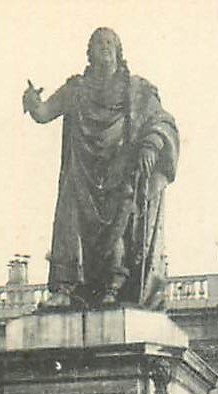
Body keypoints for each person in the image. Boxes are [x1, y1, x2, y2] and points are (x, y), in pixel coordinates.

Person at [22, 28, 179, 308]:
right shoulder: (76, 90)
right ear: (89, 53)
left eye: (109, 43)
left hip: (120, 170)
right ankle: (64, 288)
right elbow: (45, 113)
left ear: (119, 50)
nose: (104, 47)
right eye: (97, 43)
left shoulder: (138, 89)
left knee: (119, 226)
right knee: (69, 223)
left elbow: (162, 121)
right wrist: (33, 103)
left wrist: (151, 145)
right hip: (81, 171)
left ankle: (114, 286)